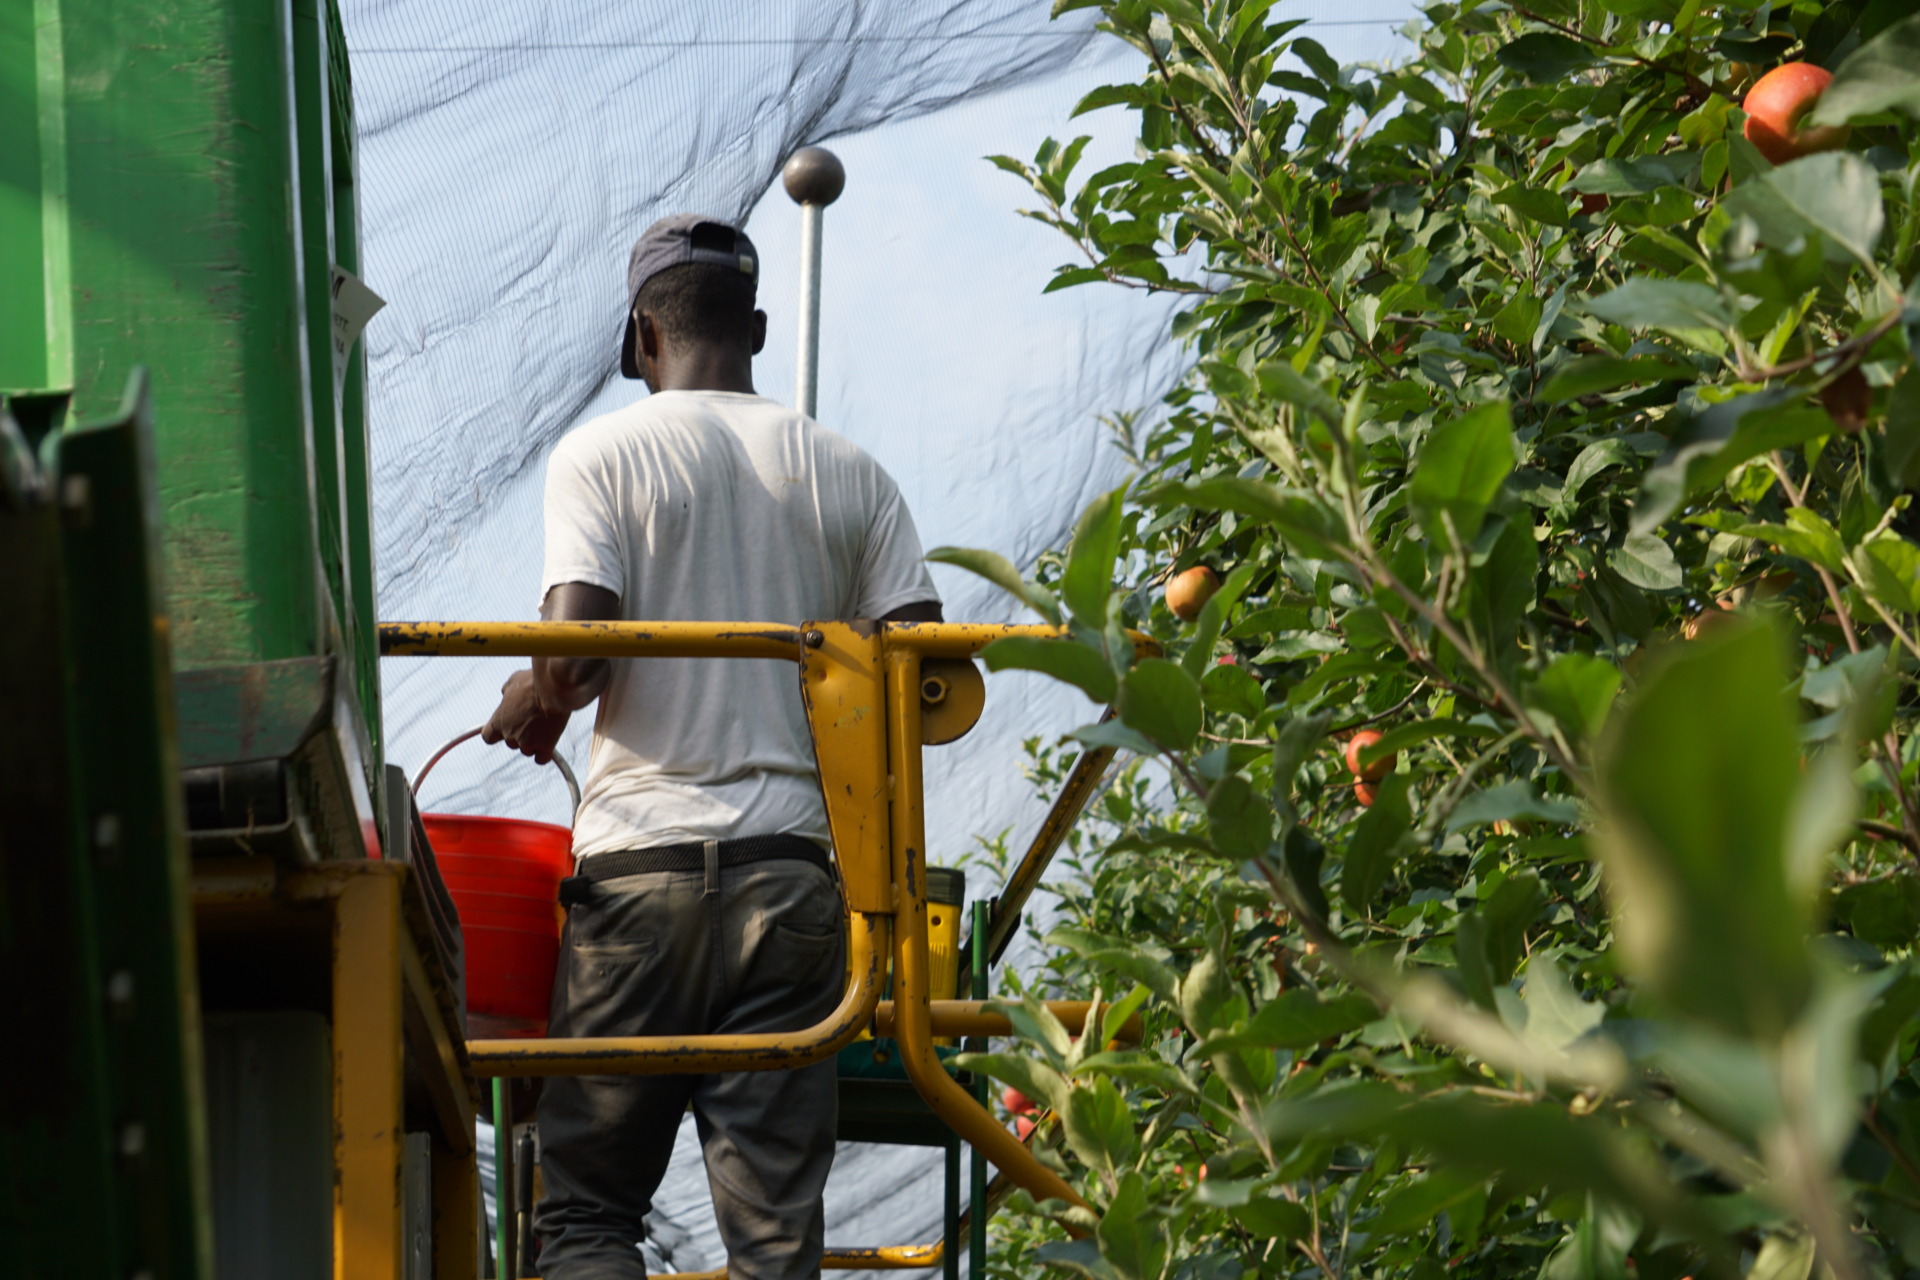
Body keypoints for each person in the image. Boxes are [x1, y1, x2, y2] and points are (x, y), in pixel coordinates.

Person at [481, 213, 942, 1280]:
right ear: (760, 329)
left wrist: (534, 682)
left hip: (638, 878)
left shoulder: (604, 450)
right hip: (790, 886)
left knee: (588, 1213)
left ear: (643, 335)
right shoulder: (851, 470)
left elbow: (578, 654)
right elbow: (922, 673)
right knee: (777, 1241)